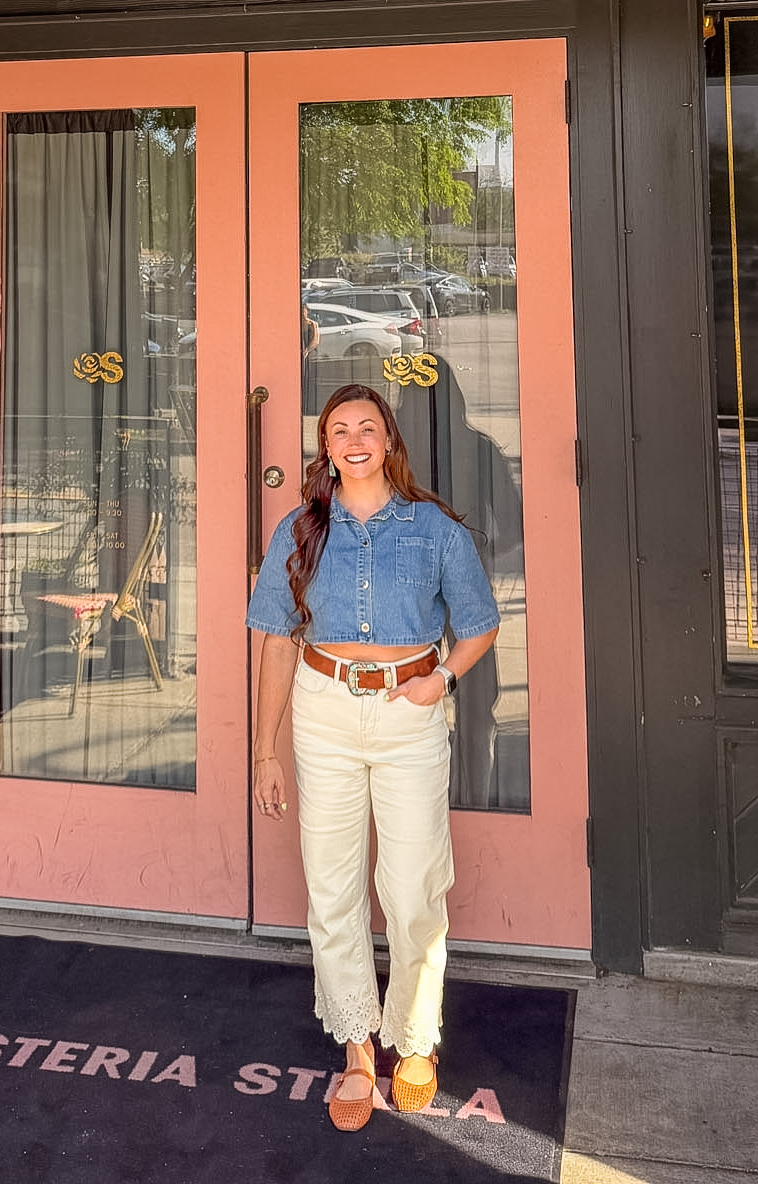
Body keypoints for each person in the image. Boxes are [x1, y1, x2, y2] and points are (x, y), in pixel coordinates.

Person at [246, 382, 499, 1132]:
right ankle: (358, 1049)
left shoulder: (434, 529)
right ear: (325, 448)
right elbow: (275, 641)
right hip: (322, 713)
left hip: (407, 714)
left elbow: (481, 622)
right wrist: (264, 751)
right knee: (332, 887)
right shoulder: (299, 530)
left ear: (389, 441)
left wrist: (440, 681)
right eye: (339, 431)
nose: (354, 441)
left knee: (415, 887)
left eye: (367, 428)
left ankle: (414, 1037)